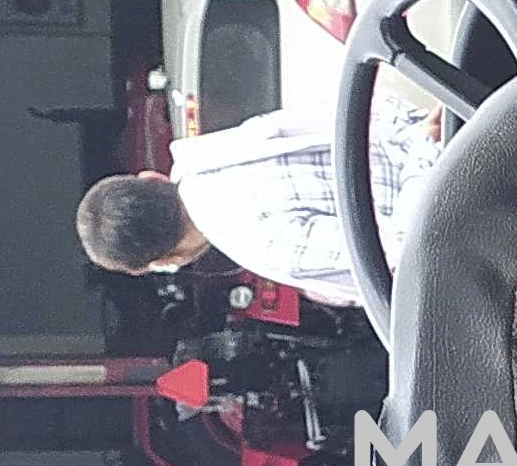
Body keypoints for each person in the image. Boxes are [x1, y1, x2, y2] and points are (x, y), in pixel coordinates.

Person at [80, 88, 441, 307]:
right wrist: (425, 136)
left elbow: (410, 246)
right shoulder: (234, 146)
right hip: (452, 123)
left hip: (458, 199)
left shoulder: (260, 245)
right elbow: (368, 107)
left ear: (165, 260)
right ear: (152, 176)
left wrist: (428, 152)